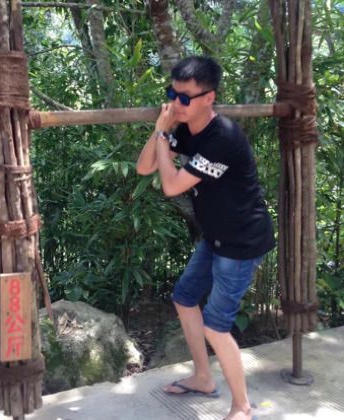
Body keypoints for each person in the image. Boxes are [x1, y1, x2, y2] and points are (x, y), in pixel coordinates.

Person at [136, 56, 275, 420]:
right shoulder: (182, 128)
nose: (175, 103)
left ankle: (242, 407)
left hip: (241, 242)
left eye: (185, 97)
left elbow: (171, 185)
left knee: (216, 325)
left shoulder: (223, 138)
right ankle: (202, 377)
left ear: (209, 98)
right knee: (184, 298)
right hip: (215, 236)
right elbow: (144, 167)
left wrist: (163, 135)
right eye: (172, 94)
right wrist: (162, 130)